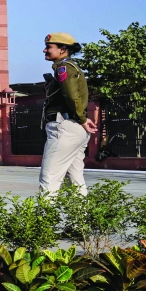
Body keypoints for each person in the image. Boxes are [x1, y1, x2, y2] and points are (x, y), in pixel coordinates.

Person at [39, 32, 96, 195]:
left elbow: (72, 96)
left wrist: (82, 118)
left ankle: (43, 220)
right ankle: (82, 221)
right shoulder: (71, 67)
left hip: (64, 127)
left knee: (49, 178)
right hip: (74, 127)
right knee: (76, 181)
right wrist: (82, 119)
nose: (45, 50)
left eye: (49, 47)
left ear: (63, 49)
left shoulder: (64, 68)